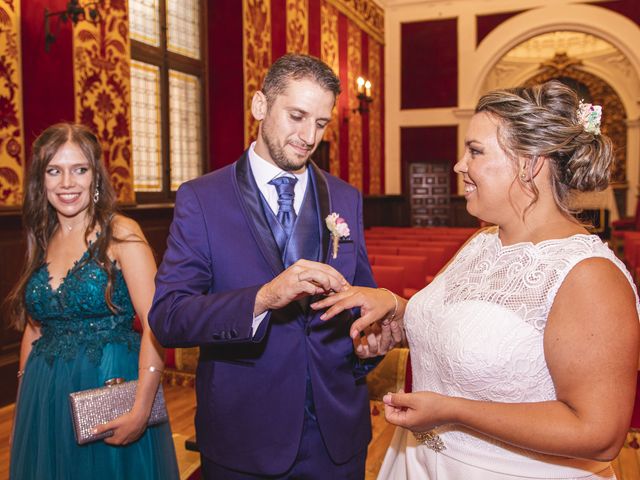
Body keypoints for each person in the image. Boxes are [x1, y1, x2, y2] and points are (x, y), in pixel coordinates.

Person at [313, 80, 640, 479]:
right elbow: (465, 325)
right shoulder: (482, 242)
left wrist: (453, 411)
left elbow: (598, 433)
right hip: (418, 463)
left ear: (530, 163)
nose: (459, 165)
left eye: (476, 151)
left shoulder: (590, 276)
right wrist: (396, 312)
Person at [148, 53, 399, 479]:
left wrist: (368, 341)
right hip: (243, 436)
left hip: (337, 438)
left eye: (320, 123)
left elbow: (360, 302)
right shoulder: (203, 199)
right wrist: (263, 298)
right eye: (297, 116)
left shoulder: (345, 198)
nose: (308, 136)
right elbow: (169, 316)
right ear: (260, 106)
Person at [7, 123, 179, 479]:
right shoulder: (41, 236)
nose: (67, 183)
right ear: (42, 181)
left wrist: (142, 409)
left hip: (107, 383)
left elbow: (155, 324)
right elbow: (34, 328)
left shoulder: (121, 232)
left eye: (79, 170)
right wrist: (25, 403)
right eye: (54, 171)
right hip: (46, 394)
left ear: (95, 177)